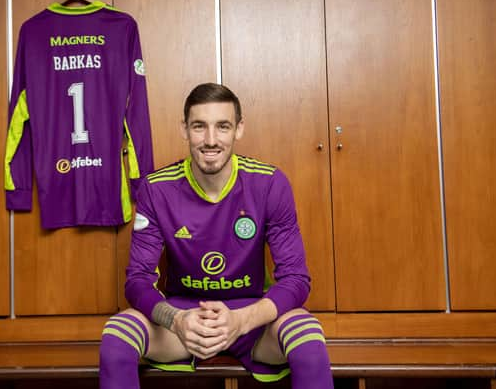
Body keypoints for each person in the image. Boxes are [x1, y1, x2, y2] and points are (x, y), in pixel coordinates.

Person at [99, 83, 333, 388]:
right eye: (199, 126)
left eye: (222, 126)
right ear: (184, 129)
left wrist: (242, 320)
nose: (211, 140)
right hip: (184, 321)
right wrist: (176, 320)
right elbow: (138, 281)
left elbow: (296, 280)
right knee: (118, 334)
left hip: (252, 319)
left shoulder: (269, 184)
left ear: (238, 129)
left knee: (307, 335)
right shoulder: (156, 189)